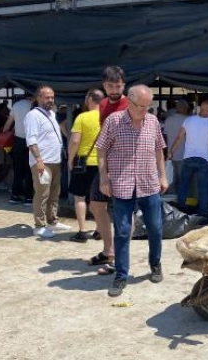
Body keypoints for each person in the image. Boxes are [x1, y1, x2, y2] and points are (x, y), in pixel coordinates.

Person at [96, 84, 168, 297]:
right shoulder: (114, 121)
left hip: (149, 183)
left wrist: (163, 175)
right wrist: (103, 177)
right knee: (123, 231)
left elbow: (158, 150)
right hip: (122, 184)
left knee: (155, 228)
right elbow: (101, 149)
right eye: (141, 106)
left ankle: (155, 264)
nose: (145, 110)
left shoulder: (153, 121)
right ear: (130, 102)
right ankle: (120, 275)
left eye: (148, 106)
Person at [87, 66, 129, 270]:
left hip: (125, 165)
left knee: (123, 212)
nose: (114, 89)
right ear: (104, 86)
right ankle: (108, 251)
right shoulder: (103, 104)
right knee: (95, 205)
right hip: (105, 162)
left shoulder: (130, 105)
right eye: (110, 86)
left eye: (118, 86)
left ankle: (120, 259)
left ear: (124, 85)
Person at [24, 85, 72, 238]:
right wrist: (38, 160)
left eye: (52, 97)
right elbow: (31, 140)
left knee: (54, 193)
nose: (50, 100)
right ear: (39, 97)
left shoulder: (51, 113)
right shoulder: (33, 115)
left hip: (55, 160)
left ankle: (52, 220)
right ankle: (39, 225)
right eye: (47, 97)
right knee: (42, 193)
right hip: (43, 162)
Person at [168, 100, 208, 216]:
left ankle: (180, 212)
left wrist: (171, 151)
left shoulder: (188, 120)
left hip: (188, 158)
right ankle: (203, 213)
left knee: (184, 185)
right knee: (203, 188)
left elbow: (179, 138)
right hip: (204, 159)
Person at [67, 89, 104, 242]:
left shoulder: (82, 117)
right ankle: (100, 230)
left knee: (80, 197)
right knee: (100, 200)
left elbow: (75, 141)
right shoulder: (107, 117)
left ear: (89, 99)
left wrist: (70, 159)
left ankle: (82, 231)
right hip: (102, 163)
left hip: (83, 163)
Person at [3, 93, 34, 205]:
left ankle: (15, 195)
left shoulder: (16, 106)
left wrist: (4, 133)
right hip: (31, 141)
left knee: (18, 170)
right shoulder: (34, 106)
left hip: (18, 141)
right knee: (29, 171)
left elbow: (8, 124)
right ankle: (28, 198)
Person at [163, 99, 189, 194]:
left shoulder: (168, 119)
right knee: (183, 180)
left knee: (171, 179)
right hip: (184, 155)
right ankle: (182, 201)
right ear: (184, 108)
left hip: (171, 154)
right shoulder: (188, 120)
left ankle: (170, 201)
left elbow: (165, 137)